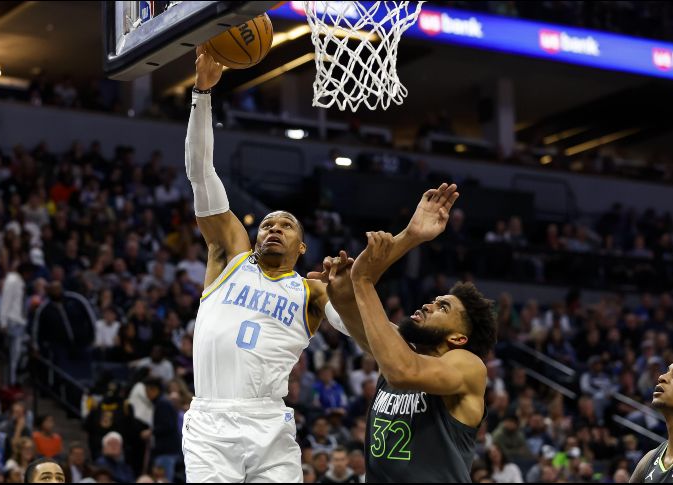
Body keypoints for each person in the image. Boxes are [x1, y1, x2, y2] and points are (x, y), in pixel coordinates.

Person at [181, 45, 352, 482]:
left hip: (269, 422)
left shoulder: (310, 290)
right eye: (268, 224)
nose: (273, 228)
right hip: (210, 421)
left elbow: (358, 333)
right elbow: (202, 173)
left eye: (286, 225)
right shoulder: (230, 256)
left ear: (302, 247)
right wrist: (202, 94)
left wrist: (348, 294)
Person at [311, 183, 497, 483]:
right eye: (434, 300)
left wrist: (364, 282)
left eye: (443, 308)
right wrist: (410, 237)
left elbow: (402, 371)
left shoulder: (467, 365)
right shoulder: (396, 348)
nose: (429, 304)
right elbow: (353, 309)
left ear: (458, 338)